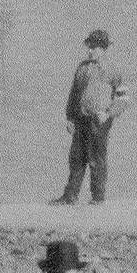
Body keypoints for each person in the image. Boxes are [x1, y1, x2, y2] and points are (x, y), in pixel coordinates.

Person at [53, 30, 126, 206]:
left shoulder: (112, 69)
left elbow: (123, 98)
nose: (90, 51)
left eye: (94, 47)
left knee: (96, 159)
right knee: (76, 158)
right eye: (89, 47)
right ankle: (70, 196)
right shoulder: (82, 67)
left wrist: (108, 113)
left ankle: (98, 198)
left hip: (99, 121)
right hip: (81, 119)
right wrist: (70, 117)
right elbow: (73, 94)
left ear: (103, 48)